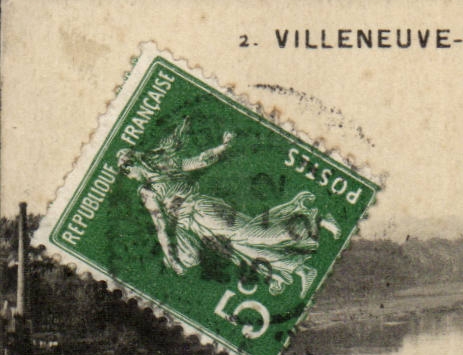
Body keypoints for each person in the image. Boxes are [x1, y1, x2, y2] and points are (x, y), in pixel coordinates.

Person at [117, 116, 335, 296]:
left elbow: (161, 226)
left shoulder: (155, 181)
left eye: (128, 172)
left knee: (251, 235)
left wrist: (172, 258)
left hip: (203, 211)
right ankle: (301, 269)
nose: (130, 177)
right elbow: (199, 162)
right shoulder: (153, 182)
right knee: (243, 249)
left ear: (133, 165)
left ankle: (314, 220)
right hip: (195, 227)